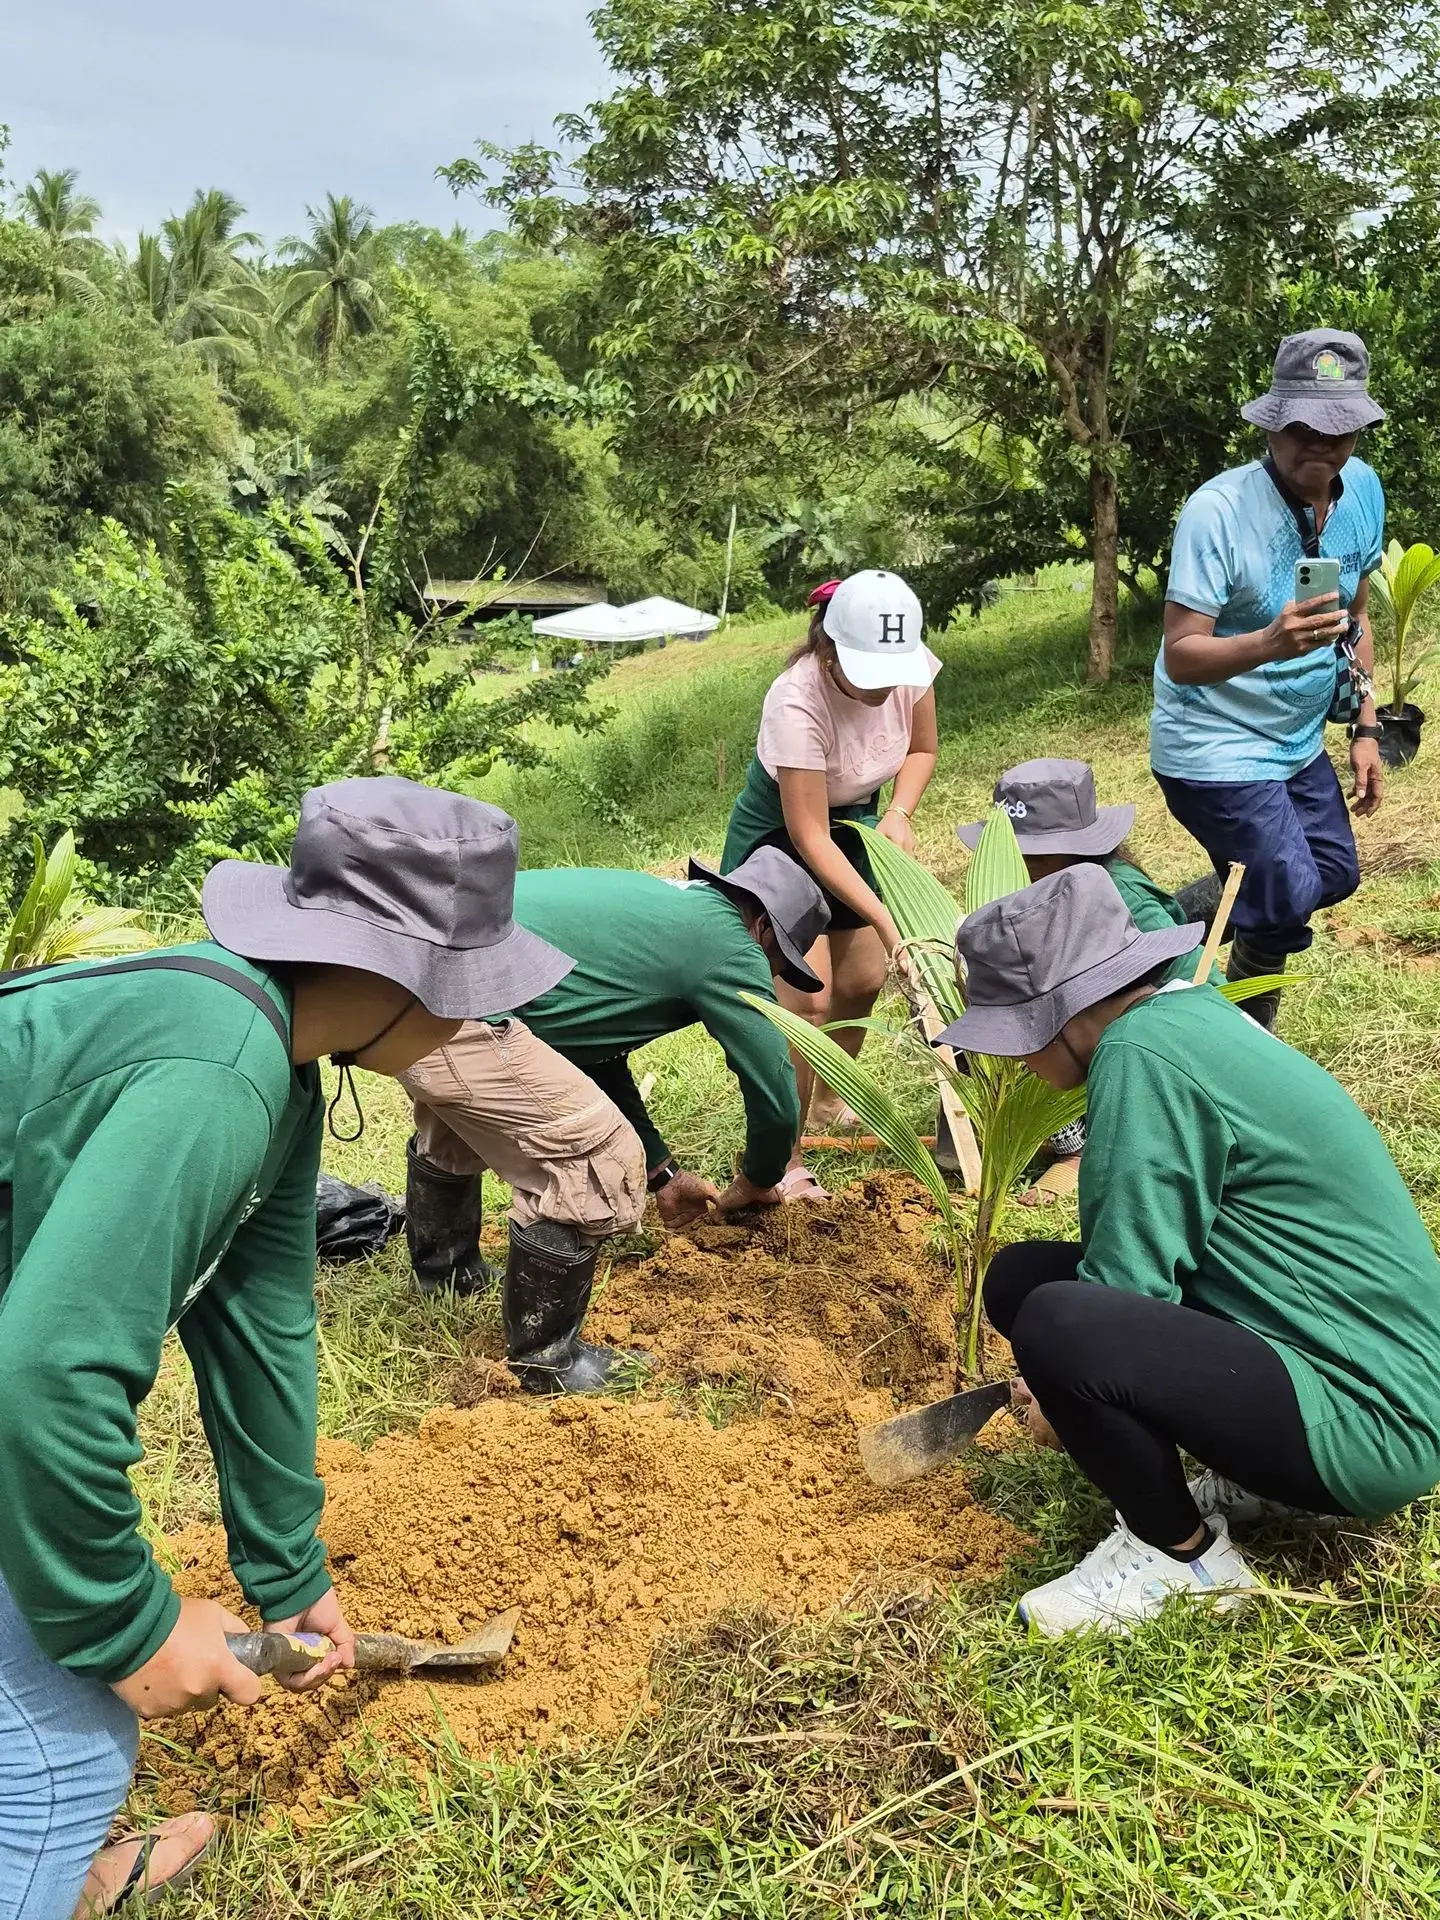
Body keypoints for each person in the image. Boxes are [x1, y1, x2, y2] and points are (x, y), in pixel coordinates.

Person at [0, 777, 571, 1918]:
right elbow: (45, 1379)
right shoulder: (220, 1073)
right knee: (68, 1750)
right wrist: (127, 1629)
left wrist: (287, 1571)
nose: (479, 1023)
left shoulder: (276, 1060)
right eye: (474, 993)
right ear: (399, 979)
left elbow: (261, 1323)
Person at [939, 865, 1440, 1636]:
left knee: (1058, 1322)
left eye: (1016, 1038)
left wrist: (1058, 1397)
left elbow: (1121, 1296)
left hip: (1372, 1419)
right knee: (1022, 1278)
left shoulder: (1140, 1056)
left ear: (1061, 1014)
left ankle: (1182, 1559)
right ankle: (1258, 1480)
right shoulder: (1187, 1016)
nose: (1017, 1062)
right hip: (1378, 1370)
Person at [399, 846, 831, 1392]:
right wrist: (760, 1178)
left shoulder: (665, 909)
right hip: (466, 1004)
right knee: (595, 1154)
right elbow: (773, 1083)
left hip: (405, 995)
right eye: (776, 962)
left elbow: (588, 1049)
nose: (767, 975)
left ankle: (446, 1276)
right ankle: (548, 1361)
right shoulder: (729, 943)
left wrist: (663, 1175)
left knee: (461, 1122)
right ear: (764, 928)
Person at [1154, 328, 1387, 1029]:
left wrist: (1367, 727)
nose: (1321, 445)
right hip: (1212, 743)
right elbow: (1181, 653)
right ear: (1272, 422)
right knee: (1284, 891)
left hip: (1296, 742)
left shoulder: (1363, 491)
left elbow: (1356, 614)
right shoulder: (1219, 511)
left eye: (1338, 430)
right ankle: (1245, 1037)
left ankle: (1153, 931)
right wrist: (1269, 642)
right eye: (1303, 428)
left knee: (1331, 874)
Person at [719, 570, 941, 1186]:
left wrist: (899, 812)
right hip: (783, 838)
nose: (885, 687)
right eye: (869, 672)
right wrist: (890, 923)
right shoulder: (796, 701)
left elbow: (922, 749)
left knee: (863, 979)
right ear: (830, 649)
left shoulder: (907, 666)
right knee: (806, 1000)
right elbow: (810, 836)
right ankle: (782, 1159)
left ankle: (827, 1099)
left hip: (855, 826)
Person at [955, 759, 1222, 1202]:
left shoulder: (1123, 895)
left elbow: (1196, 981)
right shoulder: (1045, 894)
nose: (1023, 864)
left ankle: (1081, 1149)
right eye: (1013, 853)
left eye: (1035, 855)